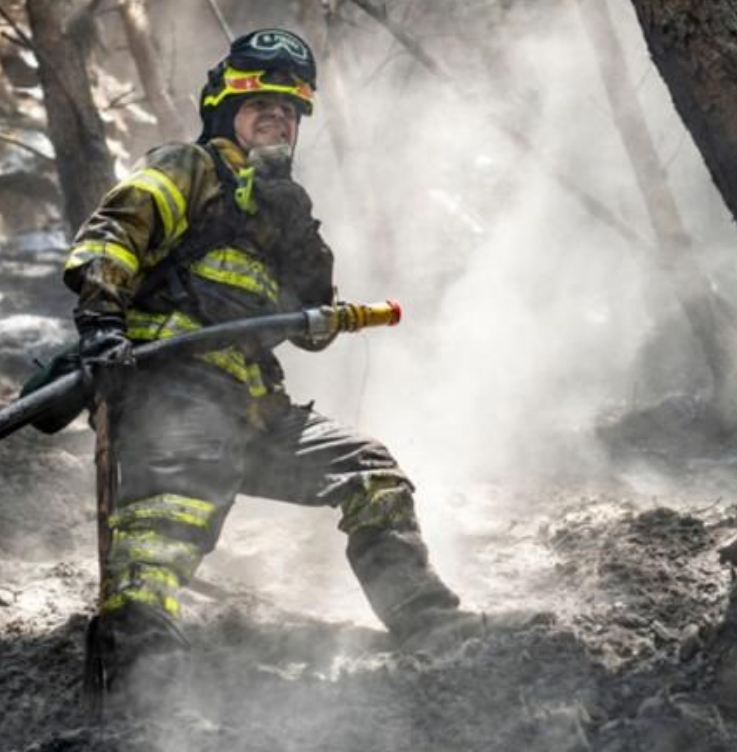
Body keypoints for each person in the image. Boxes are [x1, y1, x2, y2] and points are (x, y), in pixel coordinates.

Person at [63, 28, 474, 694]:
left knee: (371, 474)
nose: (276, 116)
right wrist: (102, 324)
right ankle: (144, 673)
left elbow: (313, 324)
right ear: (227, 109)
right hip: (174, 394)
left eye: (288, 109)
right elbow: (115, 233)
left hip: (256, 409)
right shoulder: (186, 169)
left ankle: (433, 629)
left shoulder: (285, 206)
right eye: (261, 103)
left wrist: (294, 218)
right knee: (168, 523)